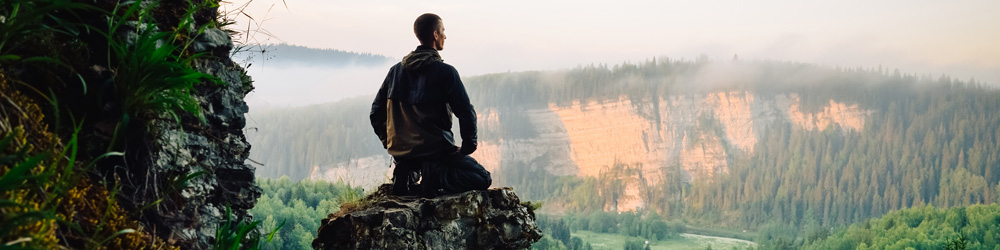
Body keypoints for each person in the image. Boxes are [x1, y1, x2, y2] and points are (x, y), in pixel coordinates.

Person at [369, 13, 491, 197]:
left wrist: (391, 143)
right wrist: (467, 147)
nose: (445, 36)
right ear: (435, 35)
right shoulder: (445, 72)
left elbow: (376, 112)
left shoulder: (395, 71)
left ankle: (408, 171)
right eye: (443, 31)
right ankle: (435, 176)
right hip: (436, 151)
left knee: (412, 162)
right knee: (482, 178)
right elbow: (466, 112)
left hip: (404, 153)